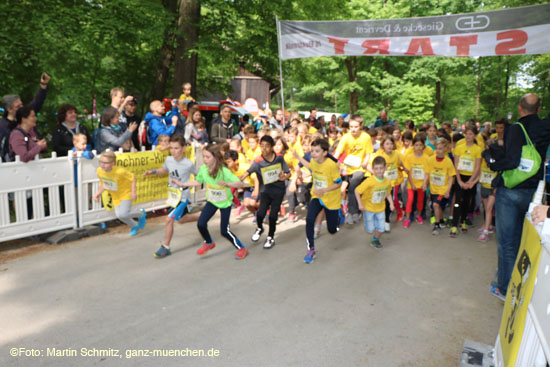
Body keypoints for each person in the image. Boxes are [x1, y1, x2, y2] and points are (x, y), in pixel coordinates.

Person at [488, 93, 550, 300]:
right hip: (533, 193)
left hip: (510, 192)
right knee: (523, 240)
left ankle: (505, 288)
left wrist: (492, 162)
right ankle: (520, 283)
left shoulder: (514, 129)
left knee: (507, 242)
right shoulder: (544, 126)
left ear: (519, 108)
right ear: (539, 109)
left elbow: (512, 161)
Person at [180, 144, 249, 260]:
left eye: (207, 157)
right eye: (203, 157)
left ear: (216, 158)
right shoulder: (203, 169)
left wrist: (228, 184)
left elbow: (240, 183)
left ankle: (242, 248)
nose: (204, 160)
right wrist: (182, 184)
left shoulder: (224, 171)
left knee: (224, 231)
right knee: (201, 223)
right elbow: (198, 182)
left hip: (225, 203)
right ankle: (209, 242)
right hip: (212, 201)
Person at [143, 135, 200, 258]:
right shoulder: (169, 159)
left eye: (177, 148)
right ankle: (200, 219)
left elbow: (199, 176)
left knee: (169, 219)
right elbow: (164, 170)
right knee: (180, 219)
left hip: (183, 197)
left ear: (184, 148)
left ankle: (165, 247)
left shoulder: (188, 164)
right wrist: (152, 171)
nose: (173, 151)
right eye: (172, 148)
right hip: (173, 197)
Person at [293, 139, 342, 263]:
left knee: (332, 229)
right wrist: (298, 157)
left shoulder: (331, 165)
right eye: (312, 151)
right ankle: (311, 249)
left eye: (317, 151)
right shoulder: (314, 162)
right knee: (309, 220)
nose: (313, 154)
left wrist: (325, 190)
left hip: (331, 199)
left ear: (325, 153)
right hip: (317, 196)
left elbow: (338, 183)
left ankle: (339, 215)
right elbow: (309, 166)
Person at [240, 135, 290, 249]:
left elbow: (288, 172)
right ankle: (259, 228)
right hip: (265, 191)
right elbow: (249, 170)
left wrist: (285, 176)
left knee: (272, 216)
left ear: (272, 147)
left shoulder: (279, 158)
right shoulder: (258, 160)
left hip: (278, 191)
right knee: (260, 214)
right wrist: (243, 176)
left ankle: (270, 237)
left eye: (267, 146)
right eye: (262, 146)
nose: (264, 149)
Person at [93, 151, 146, 236]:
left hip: (125, 193)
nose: (102, 165)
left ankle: (141, 214)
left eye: (106, 163)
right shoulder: (99, 171)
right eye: (101, 162)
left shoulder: (120, 171)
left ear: (113, 163)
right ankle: (134, 225)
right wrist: (98, 194)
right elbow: (103, 184)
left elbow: (132, 178)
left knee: (123, 214)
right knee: (120, 216)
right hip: (115, 195)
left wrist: (133, 192)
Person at [1, 73, 50, 162]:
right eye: (18, 107)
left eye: (22, 105)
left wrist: (43, 85)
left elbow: (37, 102)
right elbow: (22, 155)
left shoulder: (26, 116)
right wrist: (38, 146)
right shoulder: (3, 127)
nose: (22, 108)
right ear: (9, 109)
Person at [333, 115, 373, 224]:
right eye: (351, 126)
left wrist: (365, 161)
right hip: (348, 167)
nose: (353, 129)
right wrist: (330, 162)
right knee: (353, 189)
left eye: (356, 126)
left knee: (354, 182)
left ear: (360, 126)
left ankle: (351, 213)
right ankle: (354, 212)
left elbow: (369, 153)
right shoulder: (345, 137)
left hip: (361, 167)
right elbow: (337, 153)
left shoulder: (366, 137)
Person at [355, 156, 394, 248]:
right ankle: (368, 223)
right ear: (372, 169)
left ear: (385, 168)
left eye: (381, 168)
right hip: (368, 208)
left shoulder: (387, 182)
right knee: (370, 229)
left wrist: (391, 204)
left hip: (381, 209)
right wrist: (360, 204)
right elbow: (357, 191)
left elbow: (388, 193)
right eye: (376, 169)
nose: (379, 171)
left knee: (381, 228)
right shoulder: (369, 181)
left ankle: (375, 240)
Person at [425, 138, 456, 235]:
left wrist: (448, 190)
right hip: (433, 188)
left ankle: (437, 225)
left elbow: (451, 177)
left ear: (445, 149)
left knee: (435, 205)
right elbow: (427, 173)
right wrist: (424, 184)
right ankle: (441, 220)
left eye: (441, 149)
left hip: (443, 189)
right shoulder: (430, 160)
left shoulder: (448, 161)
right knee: (438, 206)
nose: (438, 151)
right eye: (437, 148)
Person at [402, 135, 429, 228]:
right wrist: (412, 184)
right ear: (413, 146)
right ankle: (408, 218)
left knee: (421, 200)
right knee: (410, 200)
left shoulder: (426, 158)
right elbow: (408, 172)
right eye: (416, 145)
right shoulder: (409, 157)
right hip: (411, 183)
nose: (418, 147)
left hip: (421, 184)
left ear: (423, 146)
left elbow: (427, 172)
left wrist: (424, 183)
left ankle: (419, 215)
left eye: (420, 145)